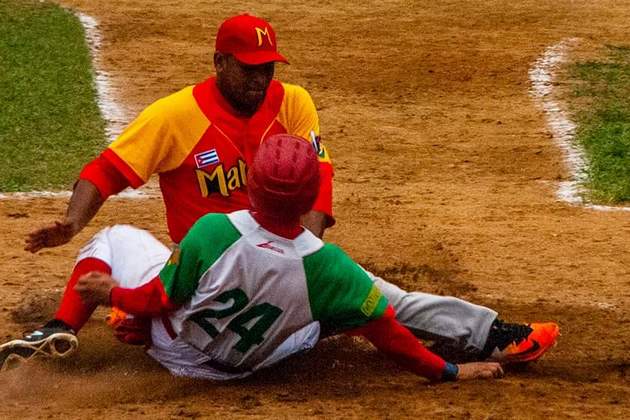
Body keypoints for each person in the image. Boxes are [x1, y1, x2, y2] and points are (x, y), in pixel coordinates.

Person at [23, 14, 556, 363]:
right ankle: (64, 332)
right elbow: (108, 171)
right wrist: (71, 221)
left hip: (249, 271)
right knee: (370, 298)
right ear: (219, 63)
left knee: (379, 296)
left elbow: (318, 177)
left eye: (268, 68)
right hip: (201, 268)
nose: (261, 80)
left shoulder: (292, 102)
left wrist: (304, 251)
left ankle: (492, 336)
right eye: (249, 69)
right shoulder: (176, 116)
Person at [1, 135, 552, 380]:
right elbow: (390, 335)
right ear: (313, 197)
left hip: (178, 354)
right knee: (365, 305)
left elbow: (159, 297)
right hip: (255, 365)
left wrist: (115, 299)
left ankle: (66, 327)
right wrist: (452, 372)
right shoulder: (330, 268)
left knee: (120, 240)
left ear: (252, 187)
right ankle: (495, 335)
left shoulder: (212, 230)